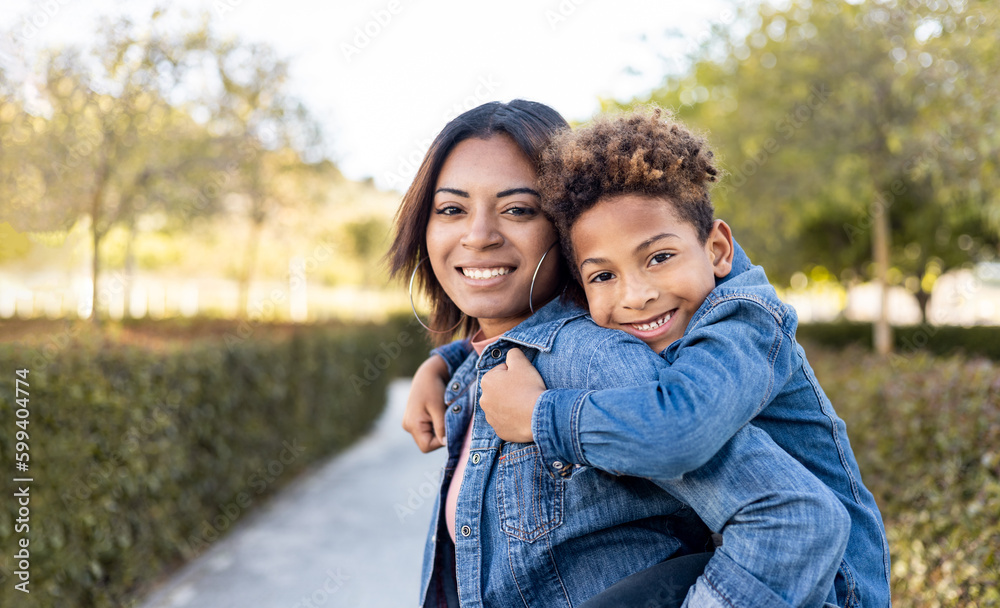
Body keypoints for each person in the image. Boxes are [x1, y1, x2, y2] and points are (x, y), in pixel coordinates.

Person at [392, 100, 850, 608]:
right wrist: (444, 364)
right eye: (452, 209)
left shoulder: (599, 360)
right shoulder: (499, 365)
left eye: (518, 209)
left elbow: (792, 519)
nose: (478, 235)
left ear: (564, 234)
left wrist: (546, 417)